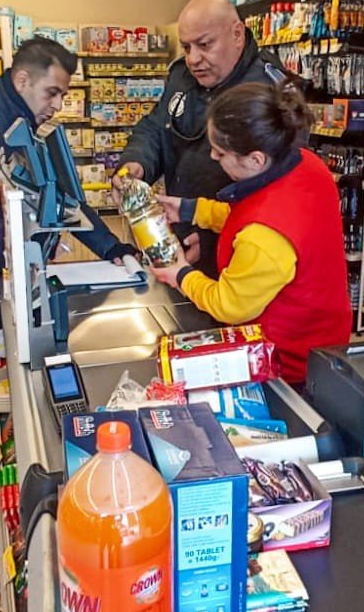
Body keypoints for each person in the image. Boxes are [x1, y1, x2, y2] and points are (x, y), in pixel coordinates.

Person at [0, 38, 137, 501]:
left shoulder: (32, 133)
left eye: (62, 96)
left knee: (12, 362)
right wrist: (19, 237)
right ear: (22, 80)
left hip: (4, 273)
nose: (57, 106)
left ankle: (8, 439)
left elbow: (66, 201)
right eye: (52, 93)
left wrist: (112, 246)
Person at [150, 82, 351, 385]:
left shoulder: (266, 237)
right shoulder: (306, 165)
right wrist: (191, 210)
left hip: (289, 366)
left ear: (256, 159)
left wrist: (179, 273)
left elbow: (229, 304)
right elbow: (250, 213)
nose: (214, 158)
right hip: (326, 338)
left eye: (220, 152)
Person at [115, 0, 287, 277]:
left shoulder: (268, 91)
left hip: (242, 257)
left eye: (205, 45)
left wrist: (212, 239)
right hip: (180, 235)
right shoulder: (182, 76)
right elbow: (156, 127)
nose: (194, 58)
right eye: (186, 47)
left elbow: (278, 196)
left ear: (236, 34)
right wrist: (136, 163)